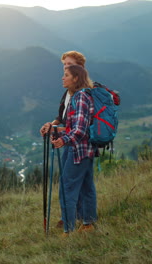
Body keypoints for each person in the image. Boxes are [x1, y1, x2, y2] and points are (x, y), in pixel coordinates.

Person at [40, 51, 88, 228]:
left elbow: (78, 125)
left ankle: (74, 220)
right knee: (74, 182)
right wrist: (51, 125)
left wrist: (59, 131)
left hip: (77, 143)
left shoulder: (83, 93)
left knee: (72, 183)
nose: (65, 68)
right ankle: (74, 218)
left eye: (69, 65)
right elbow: (62, 117)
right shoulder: (68, 93)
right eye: (64, 65)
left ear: (79, 69)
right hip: (68, 140)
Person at [52, 65, 97, 237]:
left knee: (66, 188)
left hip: (78, 150)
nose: (63, 78)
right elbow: (74, 127)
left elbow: (79, 130)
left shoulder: (80, 97)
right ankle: (88, 224)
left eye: (66, 75)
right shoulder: (81, 96)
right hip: (86, 150)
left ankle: (68, 230)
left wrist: (63, 140)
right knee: (86, 186)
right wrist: (57, 132)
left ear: (76, 78)